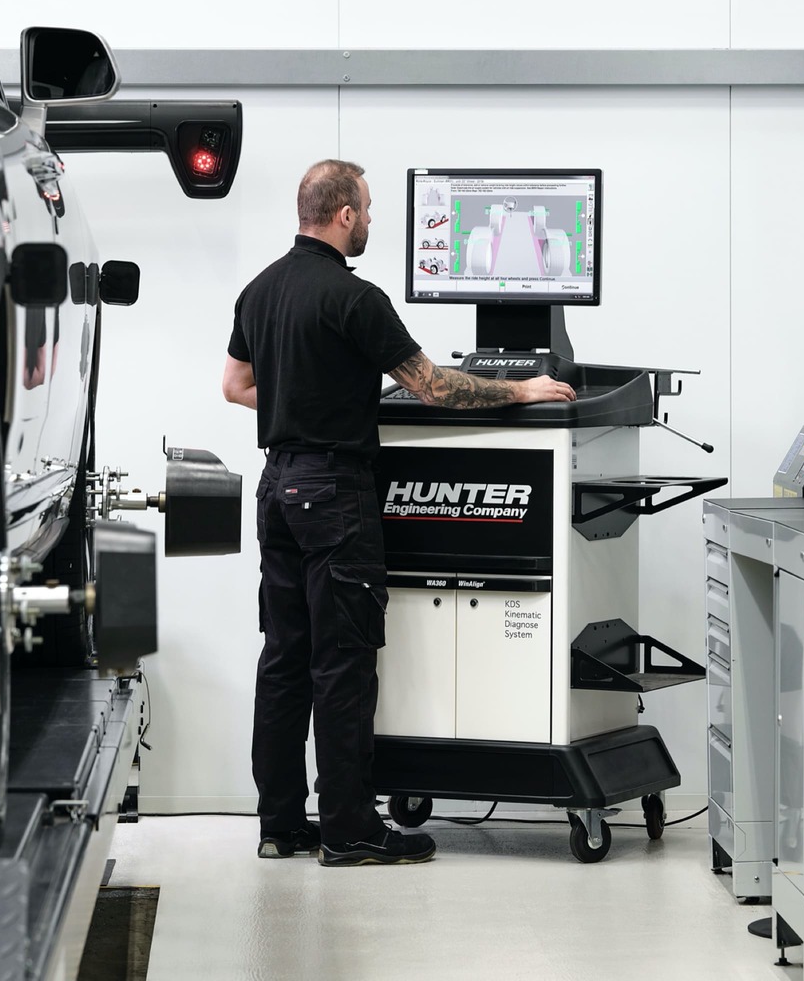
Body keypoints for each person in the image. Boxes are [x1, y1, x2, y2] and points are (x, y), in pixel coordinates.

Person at [222, 159, 574, 867]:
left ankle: (281, 825)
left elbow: (236, 385)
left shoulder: (259, 289)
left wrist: (305, 398)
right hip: (335, 495)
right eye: (368, 210)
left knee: (284, 661)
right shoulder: (355, 297)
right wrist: (524, 389)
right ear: (344, 214)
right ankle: (350, 830)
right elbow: (435, 387)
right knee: (342, 665)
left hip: (278, 489)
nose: (370, 223)